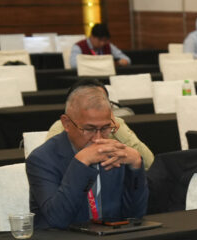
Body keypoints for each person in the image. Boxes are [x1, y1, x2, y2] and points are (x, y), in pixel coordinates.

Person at [26, 82, 148, 230]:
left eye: (105, 128)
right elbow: (58, 220)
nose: (98, 138)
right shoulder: (42, 159)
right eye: (89, 129)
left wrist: (135, 167)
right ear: (66, 123)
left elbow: (135, 216)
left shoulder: (115, 153)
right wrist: (81, 163)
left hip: (110, 239)